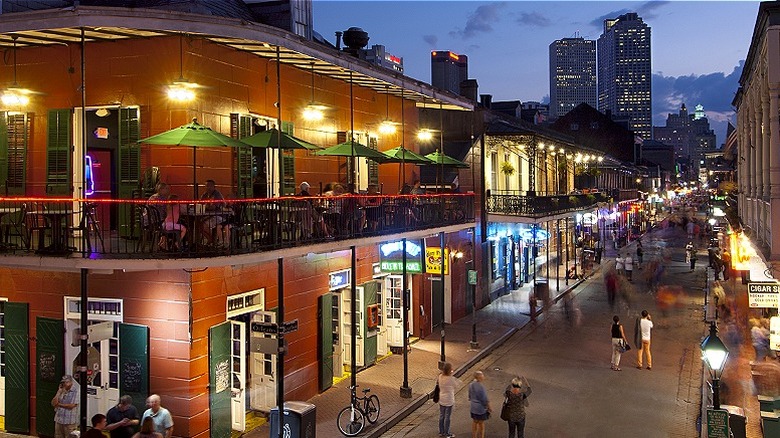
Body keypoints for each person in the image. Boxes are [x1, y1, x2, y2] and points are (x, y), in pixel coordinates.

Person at [200, 179, 228, 247]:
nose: (207, 188)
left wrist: (205, 206)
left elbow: (214, 207)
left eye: (210, 186)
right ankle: (211, 240)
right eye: (206, 186)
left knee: (205, 225)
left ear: (214, 187)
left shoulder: (217, 194)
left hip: (219, 216)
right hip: (208, 215)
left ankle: (213, 240)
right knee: (199, 226)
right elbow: (200, 204)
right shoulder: (205, 194)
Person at [437, 362, 458, 438]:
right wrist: (452, 375)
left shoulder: (440, 377)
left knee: (442, 415)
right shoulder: (451, 379)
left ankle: (441, 431)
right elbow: (456, 385)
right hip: (449, 400)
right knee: (447, 417)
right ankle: (447, 433)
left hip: (442, 399)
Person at [468, 370, 491, 438]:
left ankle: (474, 436)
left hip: (473, 407)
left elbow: (469, 395)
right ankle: (481, 436)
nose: (483, 376)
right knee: (481, 423)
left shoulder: (471, 384)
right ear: (479, 377)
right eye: (482, 375)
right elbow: (484, 399)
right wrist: (488, 407)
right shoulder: (481, 387)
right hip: (480, 408)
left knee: (475, 422)